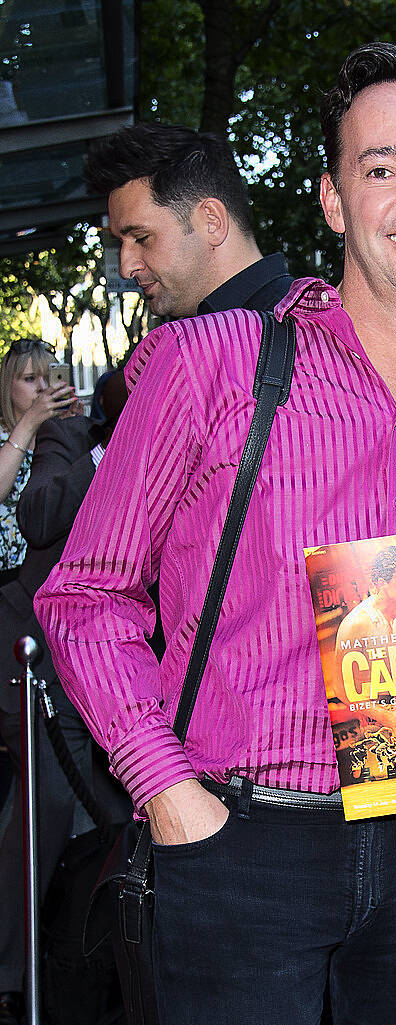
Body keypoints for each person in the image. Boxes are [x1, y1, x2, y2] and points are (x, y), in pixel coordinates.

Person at [36, 42, 396, 1025]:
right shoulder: (209, 363)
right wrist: (166, 788)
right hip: (241, 843)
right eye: (381, 169)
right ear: (333, 202)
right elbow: (85, 592)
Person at [0, 372, 131, 1025]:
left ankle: (98, 956)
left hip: (115, 658)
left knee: (110, 814)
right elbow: (38, 514)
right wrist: (109, 451)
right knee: (45, 807)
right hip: (36, 657)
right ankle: (12, 969)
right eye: (30, 377)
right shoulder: (67, 440)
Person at [84, 123, 295, 319]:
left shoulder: (299, 337)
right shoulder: (220, 330)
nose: (126, 268)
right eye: (121, 243)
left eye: (142, 238)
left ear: (212, 221)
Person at [0, 339, 75, 585]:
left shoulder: (57, 434)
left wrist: (75, 427)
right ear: (7, 384)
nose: (42, 387)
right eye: (30, 379)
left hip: (52, 572)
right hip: (7, 576)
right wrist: (30, 421)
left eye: (49, 377)